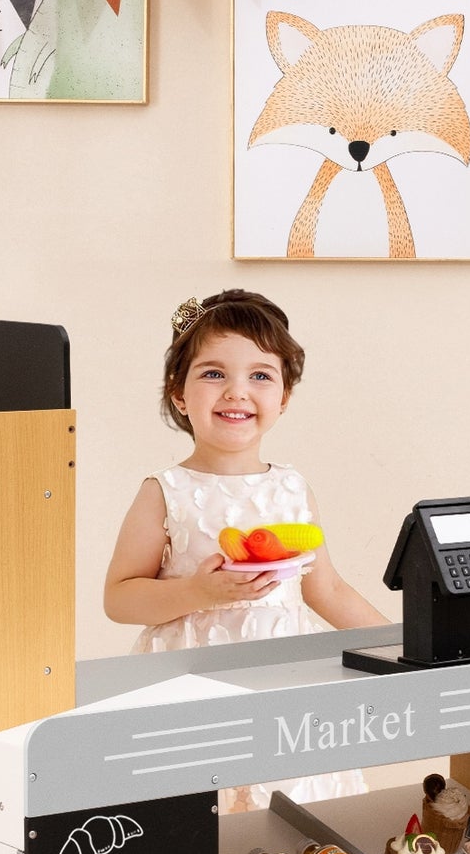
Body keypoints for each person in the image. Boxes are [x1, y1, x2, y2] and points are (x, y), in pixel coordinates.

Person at [105, 289, 388, 810]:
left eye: (260, 375)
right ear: (179, 394)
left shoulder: (293, 489)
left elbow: (325, 588)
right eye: (214, 374)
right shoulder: (164, 490)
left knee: (284, 809)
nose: (237, 392)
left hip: (283, 681)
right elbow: (119, 599)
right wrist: (196, 591)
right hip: (188, 683)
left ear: (283, 398)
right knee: (192, 809)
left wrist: (404, 646)